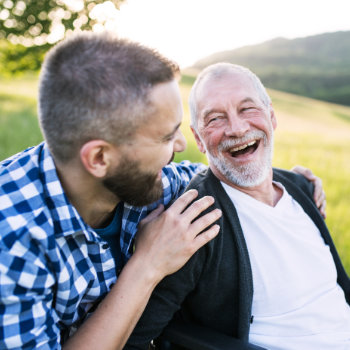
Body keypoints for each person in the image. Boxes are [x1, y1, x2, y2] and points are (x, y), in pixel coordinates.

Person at [0, 32, 323, 350]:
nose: (181, 146)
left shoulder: (142, 179)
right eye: (166, 137)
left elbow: (211, 173)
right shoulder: (13, 243)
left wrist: (291, 182)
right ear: (99, 158)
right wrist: (147, 265)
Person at [125, 63, 350, 350]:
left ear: (271, 117)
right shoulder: (195, 223)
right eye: (216, 118)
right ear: (199, 139)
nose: (237, 128)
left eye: (247, 109)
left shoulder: (301, 188)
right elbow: (135, 339)